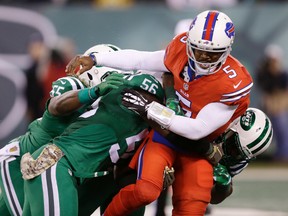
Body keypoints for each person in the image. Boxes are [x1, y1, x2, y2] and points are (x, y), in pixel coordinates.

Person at [66, 10, 253, 215]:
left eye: (213, 53)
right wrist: (96, 58)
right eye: (199, 51)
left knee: (192, 208)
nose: (204, 58)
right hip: (165, 138)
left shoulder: (234, 82)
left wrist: (151, 109)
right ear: (190, 44)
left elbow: (197, 129)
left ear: (227, 51)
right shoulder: (180, 50)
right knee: (145, 191)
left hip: (198, 147)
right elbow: (141, 60)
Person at [20, 65, 165, 216]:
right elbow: (54, 106)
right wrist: (91, 92)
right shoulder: (126, 103)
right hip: (53, 164)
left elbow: (124, 174)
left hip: (73, 172)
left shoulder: (130, 115)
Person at [0, 44, 126, 216]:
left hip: (49, 164)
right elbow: (55, 106)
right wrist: (93, 92)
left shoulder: (112, 103)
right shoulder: (74, 85)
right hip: (19, 159)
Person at [255, 44, 288, 161]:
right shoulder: (263, 74)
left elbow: (284, 94)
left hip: (279, 106)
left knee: (281, 128)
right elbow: (265, 92)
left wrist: (279, 105)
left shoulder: (283, 74)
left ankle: (283, 155)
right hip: (268, 105)